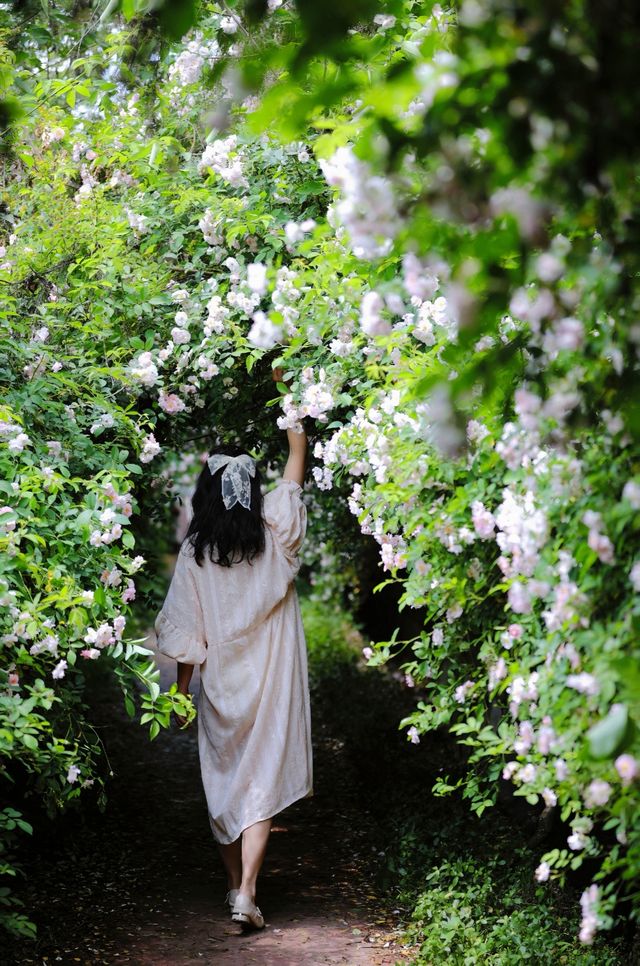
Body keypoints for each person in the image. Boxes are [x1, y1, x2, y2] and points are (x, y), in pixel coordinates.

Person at [154, 369, 312, 930]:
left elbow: (184, 638)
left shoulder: (196, 553)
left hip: (221, 683)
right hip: (271, 680)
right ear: (250, 488)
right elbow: (297, 460)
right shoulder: (276, 535)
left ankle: (233, 886)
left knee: (223, 785)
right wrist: (289, 387)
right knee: (261, 782)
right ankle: (246, 890)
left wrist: (179, 696)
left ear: (208, 491)